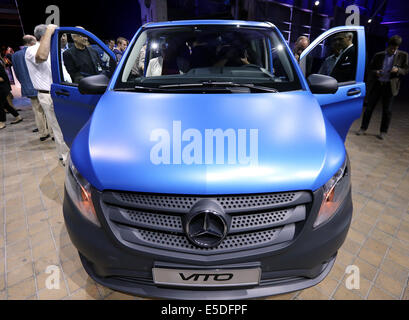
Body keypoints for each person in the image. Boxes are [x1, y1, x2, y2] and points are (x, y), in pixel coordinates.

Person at [25, 24, 70, 165]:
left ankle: (67, 155)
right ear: (44, 36)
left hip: (63, 93)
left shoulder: (54, 49)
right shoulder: (32, 50)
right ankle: (66, 159)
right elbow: (42, 57)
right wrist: (49, 31)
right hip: (50, 94)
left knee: (65, 127)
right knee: (59, 128)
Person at [357, 35, 409, 140]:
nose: (393, 50)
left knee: (387, 110)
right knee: (369, 108)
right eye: (391, 48)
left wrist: (398, 70)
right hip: (378, 84)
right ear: (387, 46)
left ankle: (383, 132)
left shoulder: (403, 55)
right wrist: (376, 72)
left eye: (395, 48)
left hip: (390, 86)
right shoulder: (379, 55)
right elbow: (370, 69)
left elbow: (406, 70)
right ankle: (363, 128)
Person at [12, 35, 50, 141]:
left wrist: (24, 83)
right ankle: (51, 133)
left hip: (28, 86)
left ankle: (43, 133)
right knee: (47, 110)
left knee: (37, 110)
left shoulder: (15, 55)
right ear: (32, 42)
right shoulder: (36, 52)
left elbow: (16, 73)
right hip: (42, 85)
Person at [0, 57, 23, 130]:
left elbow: (2, 78)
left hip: (2, 88)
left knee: (0, 105)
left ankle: (2, 122)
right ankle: (18, 117)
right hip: (2, 88)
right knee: (6, 105)